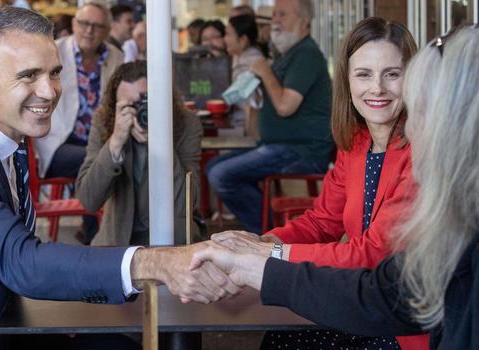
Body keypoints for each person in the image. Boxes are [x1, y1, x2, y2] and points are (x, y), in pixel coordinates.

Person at [0, 7, 240, 350]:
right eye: (28, 75)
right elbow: (22, 262)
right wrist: (155, 263)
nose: (49, 90)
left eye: (54, 72)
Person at [191, 25, 479, 350]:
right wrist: (261, 241)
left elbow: (372, 256)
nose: (377, 88)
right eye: (364, 75)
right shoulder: (356, 143)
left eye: (392, 74)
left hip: (401, 323)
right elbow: (322, 221)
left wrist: (266, 255)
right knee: (280, 337)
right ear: (346, 80)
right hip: (367, 299)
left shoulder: (425, 152)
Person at [207, 0, 332, 233]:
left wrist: (265, 72)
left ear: (305, 21)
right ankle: (270, 230)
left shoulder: (306, 54)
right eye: (274, 14)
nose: (275, 20)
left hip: (301, 150)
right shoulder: (288, 55)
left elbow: (286, 106)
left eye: (283, 14)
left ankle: (272, 235)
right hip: (281, 147)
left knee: (222, 174)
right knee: (214, 168)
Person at [76, 60, 202, 246]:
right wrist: (115, 143)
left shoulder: (186, 123)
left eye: (144, 102)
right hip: (117, 240)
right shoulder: (105, 123)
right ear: (115, 106)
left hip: (173, 241)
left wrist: (161, 144)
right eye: (129, 106)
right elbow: (89, 200)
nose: (139, 112)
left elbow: (187, 203)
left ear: (162, 98)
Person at [33, 1, 122, 244]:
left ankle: (103, 232)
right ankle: (98, 235)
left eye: (97, 26)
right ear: (74, 24)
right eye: (84, 23)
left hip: (98, 141)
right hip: (56, 141)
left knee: (113, 159)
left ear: (107, 30)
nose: (89, 31)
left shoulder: (116, 57)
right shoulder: (53, 51)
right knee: (100, 161)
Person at [223, 14, 264, 138]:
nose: (225, 39)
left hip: (246, 129)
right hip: (239, 124)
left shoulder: (254, 62)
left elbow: (234, 96)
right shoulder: (238, 56)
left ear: (243, 40)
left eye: (228, 34)